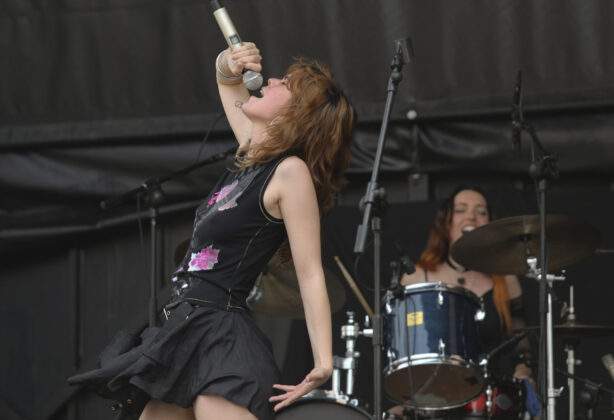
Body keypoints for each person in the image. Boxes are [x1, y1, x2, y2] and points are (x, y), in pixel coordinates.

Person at [69, 41, 357, 420]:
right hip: (185, 330)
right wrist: (229, 60)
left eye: (285, 84)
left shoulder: (290, 172)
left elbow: (310, 272)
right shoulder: (253, 156)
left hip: (220, 335)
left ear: (299, 115)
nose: (270, 80)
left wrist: (323, 360)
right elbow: (226, 80)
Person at [390, 187, 536, 418]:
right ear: (445, 223)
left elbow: (522, 346)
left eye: (481, 212)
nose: (472, 217)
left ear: (489, 225)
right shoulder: (417, 277)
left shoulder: (505, 279)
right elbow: (403, 350)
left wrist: (523, 373)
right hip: (430, 398)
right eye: (461, 210)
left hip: (489, 401)